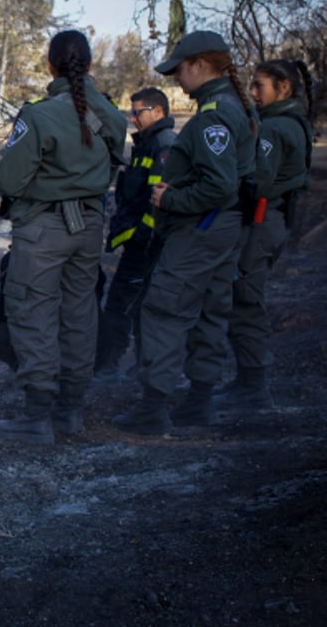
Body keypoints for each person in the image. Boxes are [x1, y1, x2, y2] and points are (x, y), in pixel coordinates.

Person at [113, 30, 258, 435]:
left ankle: (153, 407)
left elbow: (219, 184)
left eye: (179, 69)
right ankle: (199, 401)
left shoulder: (214, 116)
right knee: (210, 308)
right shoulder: (231, 106)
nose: (176, 78)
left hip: (202, 226)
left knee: (164, 308)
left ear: (199, 65)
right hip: (223, 226)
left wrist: (171, 199)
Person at [0, 30, 128, 444]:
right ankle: (70, 411)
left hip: (43, 229)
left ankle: (36, 416)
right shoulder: (112, 115)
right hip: (89, 227)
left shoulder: (39, 115)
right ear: (88, 65)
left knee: (34, 314)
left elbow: (10, 179)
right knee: (80, 316)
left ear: (51, 65)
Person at [219, 59, 314, 410]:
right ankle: (248, 381)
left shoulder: (275, 128)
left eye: (260, 85)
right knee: (245, 296)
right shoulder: (295, 123)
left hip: (261, 221)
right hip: (272, 220)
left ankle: (253, 384)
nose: (253, 92)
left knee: (245, 299)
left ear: (283, 87)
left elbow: (259, 179)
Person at [93, 88, 178, 382]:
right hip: (139, 242)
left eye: (137, 112)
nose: (132, 118)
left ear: (158, 112)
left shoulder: (164, 145)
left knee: (120, 303)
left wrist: (142, 236)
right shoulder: (146, 144)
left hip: (148, 245)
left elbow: (158, 201)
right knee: (138, 304)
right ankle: (141, 366)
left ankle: (109, 367)